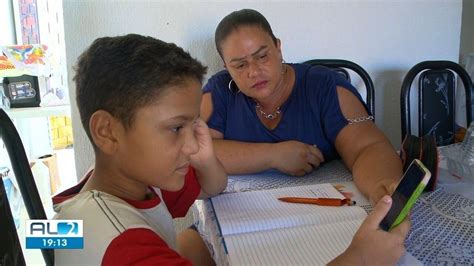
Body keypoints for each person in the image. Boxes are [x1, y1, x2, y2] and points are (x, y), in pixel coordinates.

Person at [52, 34, 227, 265]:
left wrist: (205, 160)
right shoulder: (123, 245)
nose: (193, 145)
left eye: (193, 125)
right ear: (107, 131)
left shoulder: (136, 181)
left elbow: (212, 186)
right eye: (176, 128)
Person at [201, 9, 403, 205]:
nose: (253, 72)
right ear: (226, 67)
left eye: (262, 56)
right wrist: (273, 155)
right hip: (239, 215)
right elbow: (199, 152)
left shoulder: (324, 86)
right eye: (240, 65)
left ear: (278, 48)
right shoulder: (219, 91)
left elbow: (367, 148)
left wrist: (380, 186)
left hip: (326, 214)